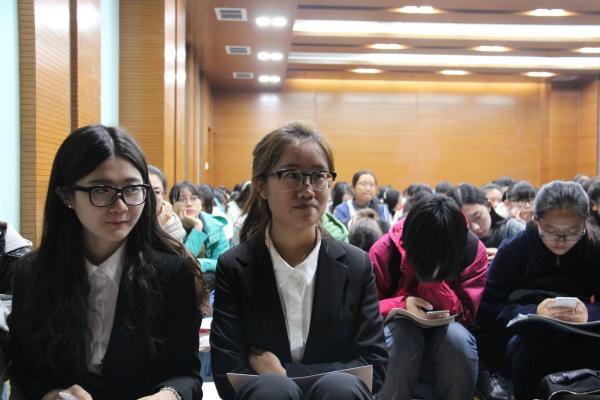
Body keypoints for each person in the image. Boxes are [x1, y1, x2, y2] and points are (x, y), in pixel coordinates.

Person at [8, 125, 206, 399]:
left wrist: (167, 395)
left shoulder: (171, 273)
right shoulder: (32, 273)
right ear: (66, 195)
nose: (120, 206)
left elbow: (186, 374)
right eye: (101, 190)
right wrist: (52, 394)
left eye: (132, 189)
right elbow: (24, 368)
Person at [210, 121, 388, 400]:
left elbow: (374, 364)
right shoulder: (234, 266)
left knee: (339, 388)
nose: (308, 190)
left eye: (318, 176)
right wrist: (280, 383)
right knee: (270, 390)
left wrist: (286, 374)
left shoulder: (356, 265)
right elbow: (226, 372)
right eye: (292, 175)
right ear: (261, 186)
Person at [478, 180, 600, 400]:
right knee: (529, 351)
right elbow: (487, 307)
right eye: (551, 231)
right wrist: (533, 311)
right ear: (536, 220)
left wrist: (589, 314)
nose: (561, 241)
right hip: (527, 339)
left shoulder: (594, 247)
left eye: (572, 231)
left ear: (585, 222)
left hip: (585, 337)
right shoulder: (515, 250)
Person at [370, 194, 487, 400]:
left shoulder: (470, 251)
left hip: (448, 340)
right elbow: (364, 312)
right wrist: (401, 304)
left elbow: (468, 316)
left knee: (457, 337)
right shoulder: (385, 250)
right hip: (398, 338)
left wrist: (433, 282)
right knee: (401, 333)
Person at [169, 181, 230, 291]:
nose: (189, 203)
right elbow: (183, 265)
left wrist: (201, 263)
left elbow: (224, 262)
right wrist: (197, 227)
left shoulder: (215, 226)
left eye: (193, 198)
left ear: (200, 203)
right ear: (173, 205)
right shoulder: (168, 228)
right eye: (182, 199)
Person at [448, 183, 524, 262]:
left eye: (477, 217)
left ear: (488, 206)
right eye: (464, 223)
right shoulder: (456, 243)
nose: (475, 227)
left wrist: (506, 257)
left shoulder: (513, 229)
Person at [148, 165, 187, 242]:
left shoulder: (172, 223)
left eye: (157, 192)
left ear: (164, 196)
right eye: (144, 190)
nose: (150, 197)